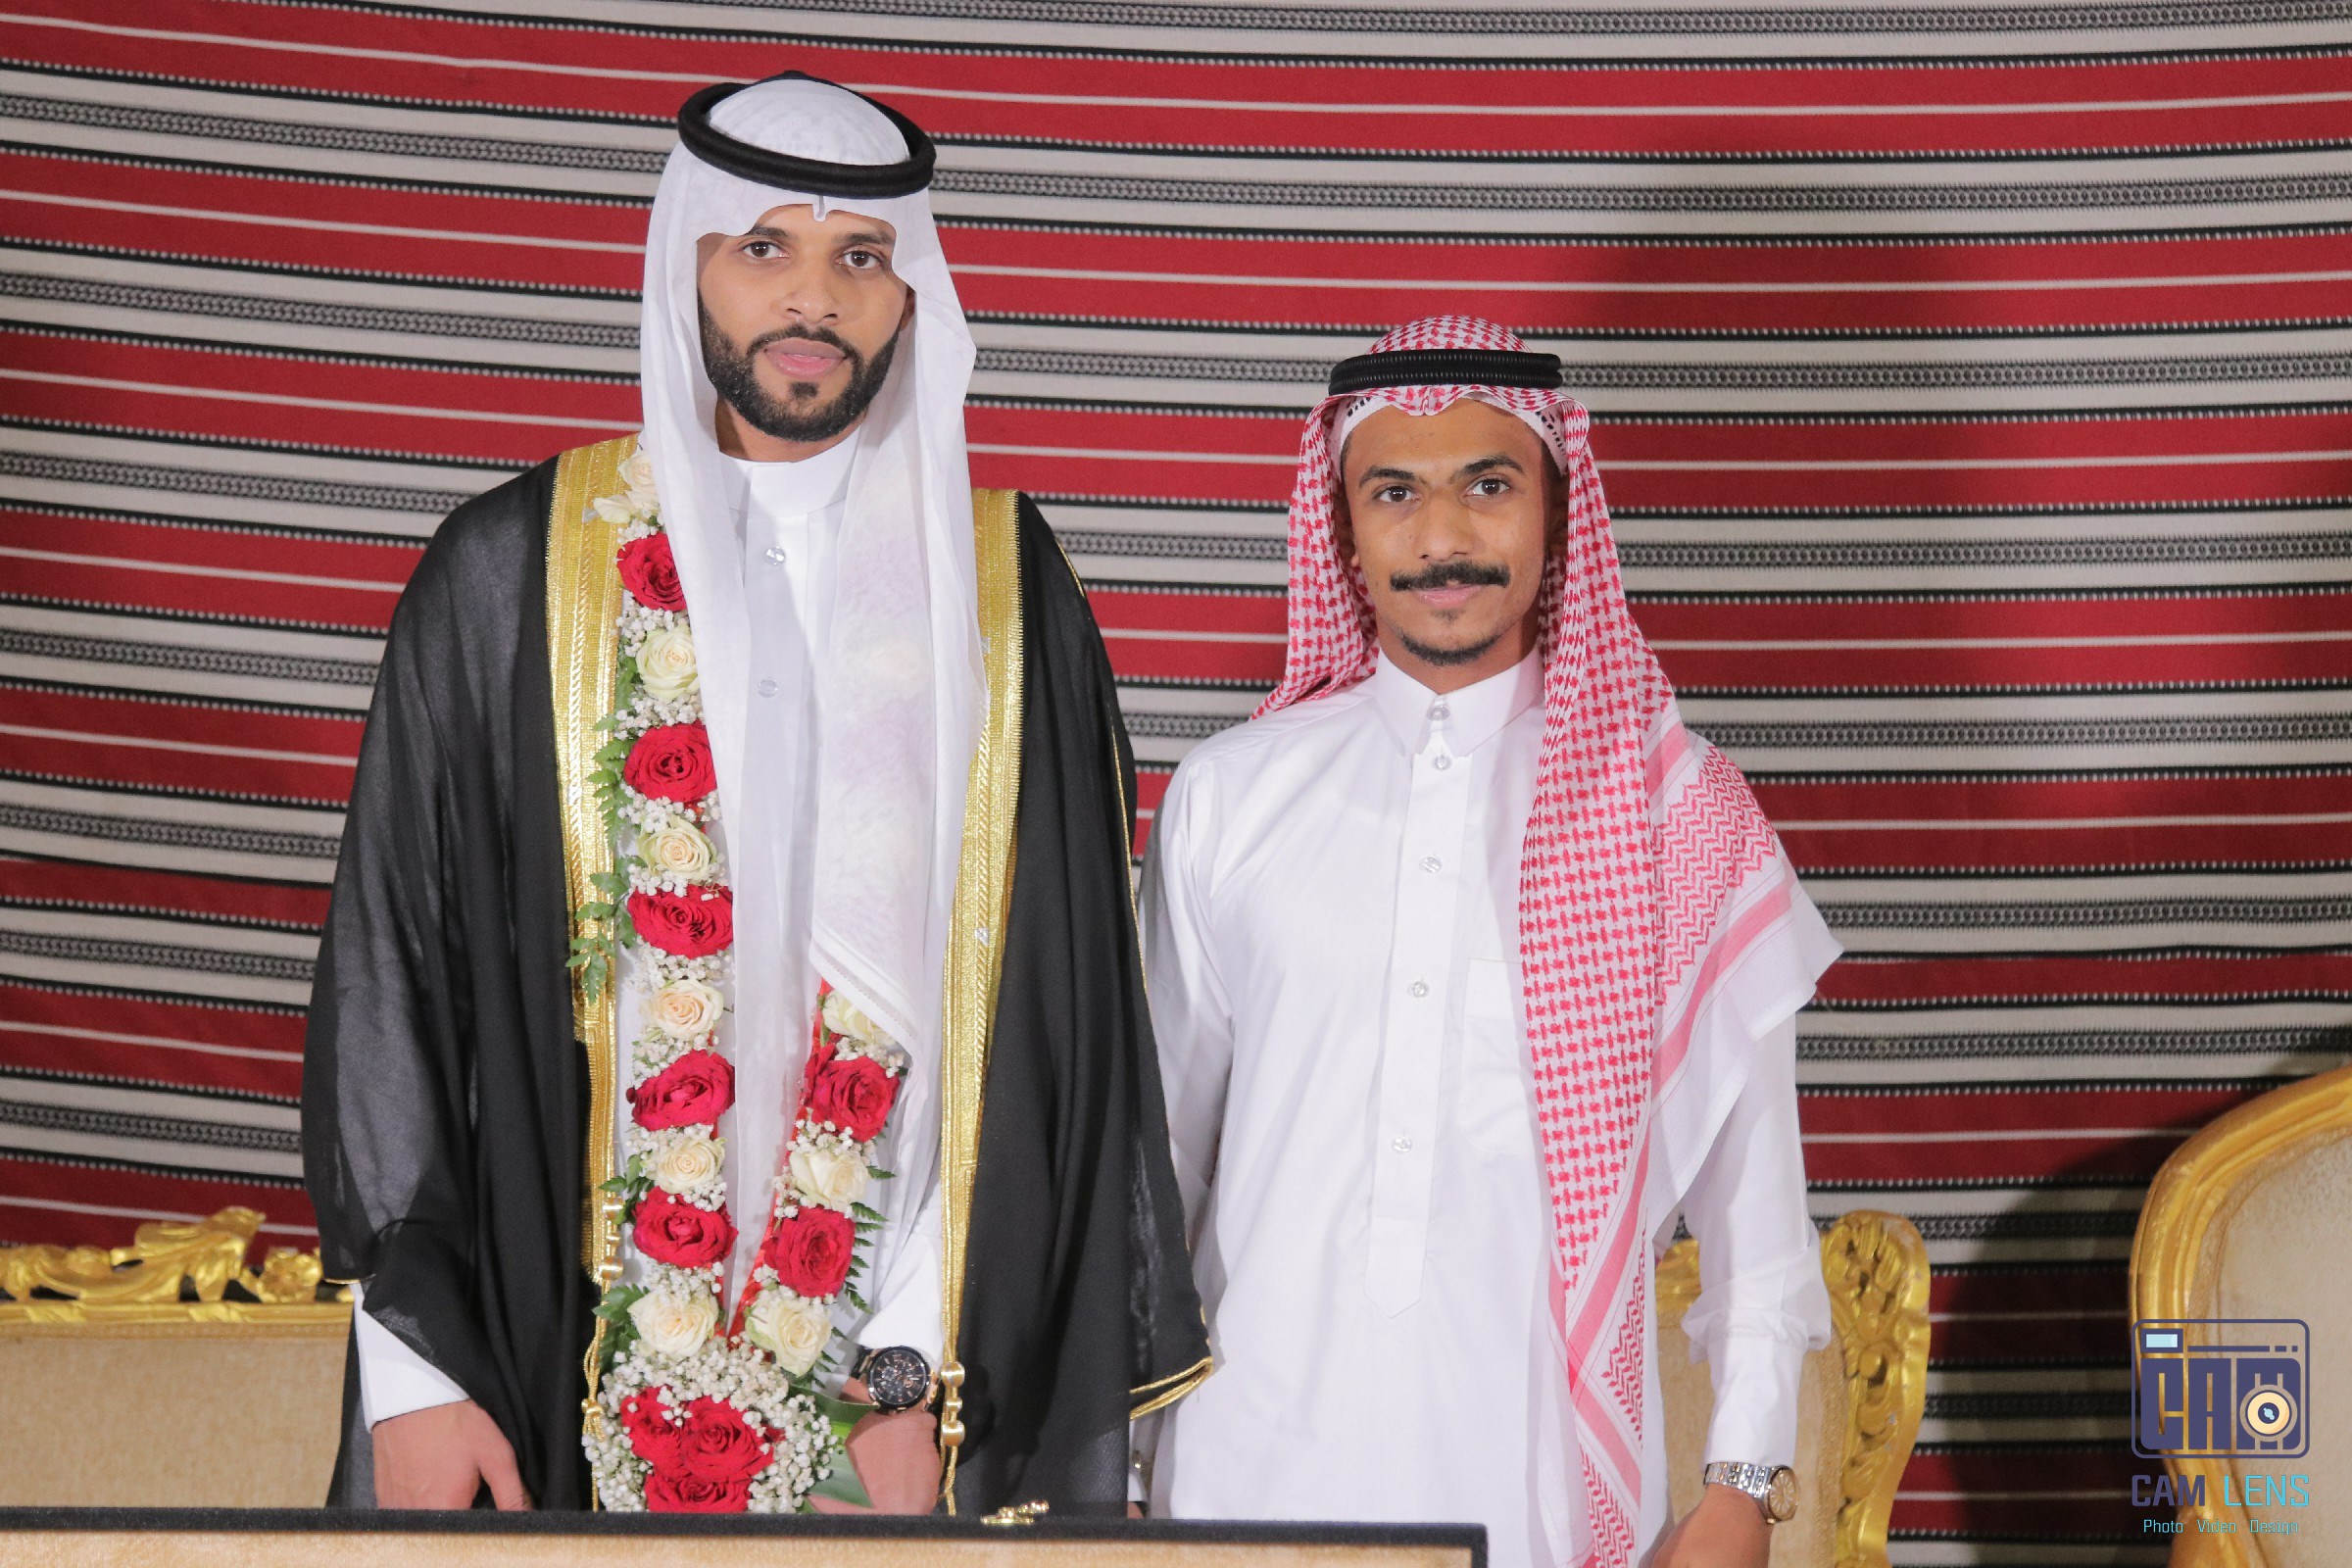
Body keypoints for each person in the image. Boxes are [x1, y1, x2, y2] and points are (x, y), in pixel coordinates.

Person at [302, 73, 1207, 1516]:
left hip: (895, 1406)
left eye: (863, 257)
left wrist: (915, 1371)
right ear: (688, 264)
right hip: (550, 1355)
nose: (814, 297)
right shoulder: (511, 576)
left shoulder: (1003, 594)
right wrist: (415, 1374)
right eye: (765, 246)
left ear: (911, 297)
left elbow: (1059, 1015)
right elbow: (393, 975)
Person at [1137, 317, 1837, 1568]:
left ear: (1558, 513)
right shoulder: (1231, 796)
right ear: (1342, 526)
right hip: (1237, 1484)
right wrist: (1115, 1464)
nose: (1443, 536)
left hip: (1536, 1497)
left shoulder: (1678, 816)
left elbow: (1758, 1213)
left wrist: (1740, 1483)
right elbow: (1153, 1178)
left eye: (1489, 485)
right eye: (1394, 492)